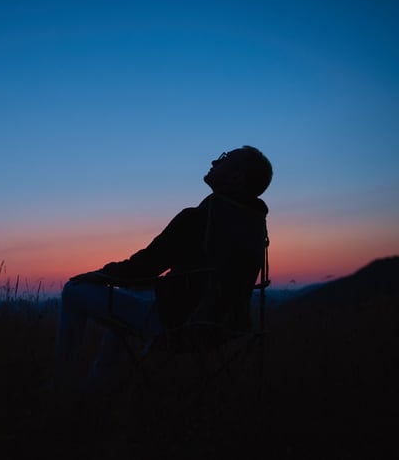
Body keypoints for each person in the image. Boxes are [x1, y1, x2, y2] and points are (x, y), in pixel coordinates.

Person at [53, 145, 272, 394]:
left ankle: (62, 386)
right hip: (221, 327)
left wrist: (101, 275)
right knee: (126, 304)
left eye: (223, 158)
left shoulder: (198, 218)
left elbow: (146, 265)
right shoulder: (252, 224)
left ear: (236, 177)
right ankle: (99, 388)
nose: (213, 161)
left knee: (73, 290)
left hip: (175, 323)